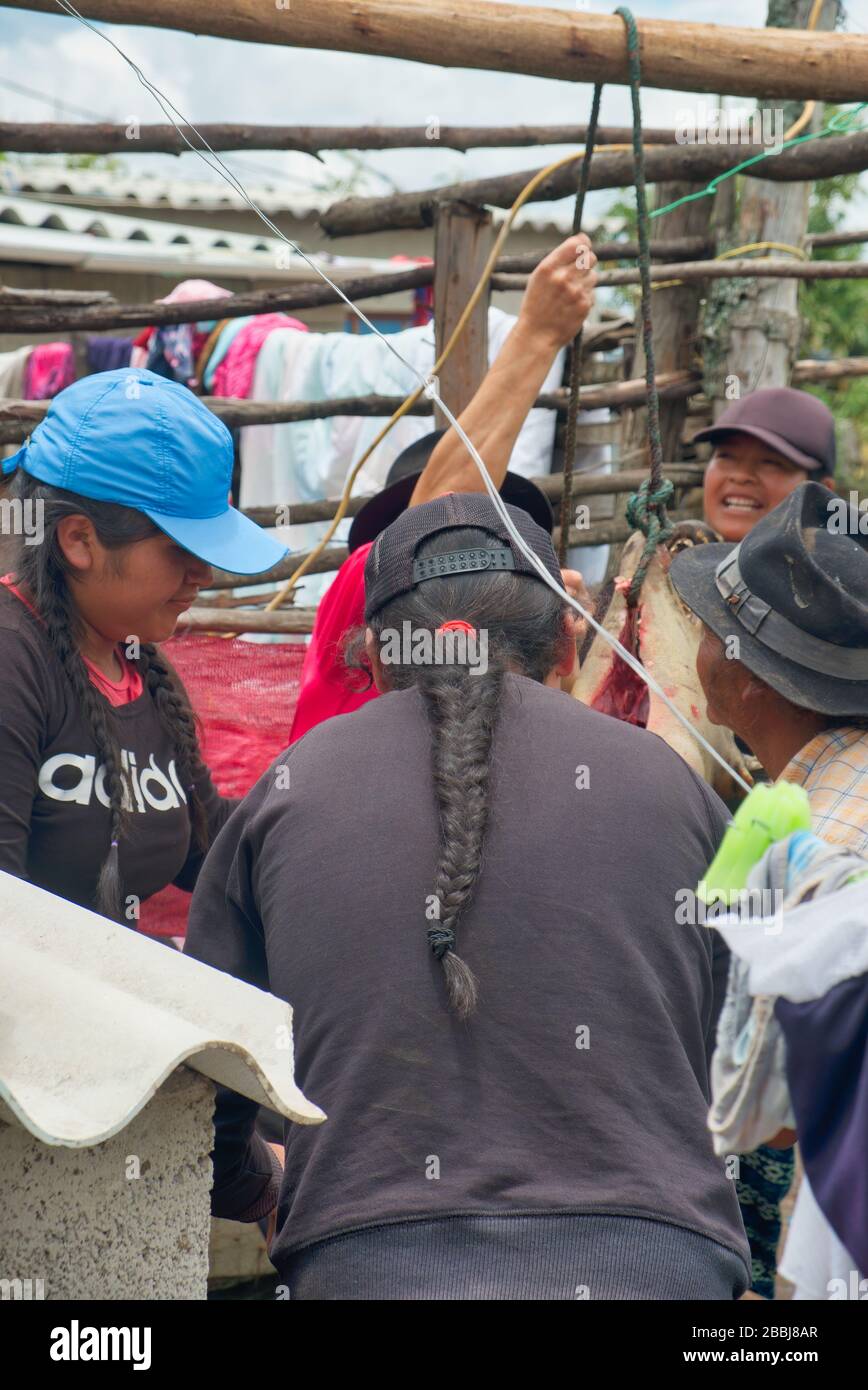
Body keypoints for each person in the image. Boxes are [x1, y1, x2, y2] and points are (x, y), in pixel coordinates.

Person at [185, 492, 750, 1301]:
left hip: (367, 1269)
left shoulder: (289, 791)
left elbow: (212, 1083)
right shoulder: (671, 784)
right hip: (663, 1267)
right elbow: (746, 1063)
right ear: (565, 639)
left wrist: (254, 1190)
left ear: (372, 657)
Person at [670, 479, 868, 1298]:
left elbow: (764, 1110)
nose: (700, 647)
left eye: (714, 632)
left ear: (749, 680)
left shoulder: (814, 847)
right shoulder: (833, 786)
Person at [0, 367, 286, 922]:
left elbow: (210, 848)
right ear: (79, 540)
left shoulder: (134, 663)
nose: (202, 573)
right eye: (179, 547)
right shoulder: (12, 664)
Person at [289, 231, 598, 742]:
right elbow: (440, 508)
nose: (472, 553)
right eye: (453, 551)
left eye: (502, 550)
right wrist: (537, 335)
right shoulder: (360, 589)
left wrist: (559, 638)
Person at [694, 387, 836, 543]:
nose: (741, 476)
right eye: (726, 456)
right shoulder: (670, 559)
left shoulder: (848, 565)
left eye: (771, 463)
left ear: (822, 494)